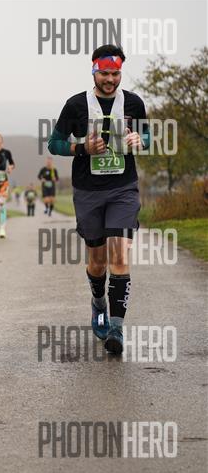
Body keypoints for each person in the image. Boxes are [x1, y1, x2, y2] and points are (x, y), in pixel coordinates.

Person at [48, 45, 149, 354]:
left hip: (123, 189)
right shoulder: (76, 105)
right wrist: (82, 149)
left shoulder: (133, 103)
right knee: (97, 261)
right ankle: (98, 302)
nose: (110, 79)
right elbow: (54, 144)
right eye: (105, 73)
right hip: (88, 191)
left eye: (115, 73)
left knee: (119, 254)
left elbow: (146, 137)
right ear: (94, 71)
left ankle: (116, 328)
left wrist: (139, 139)